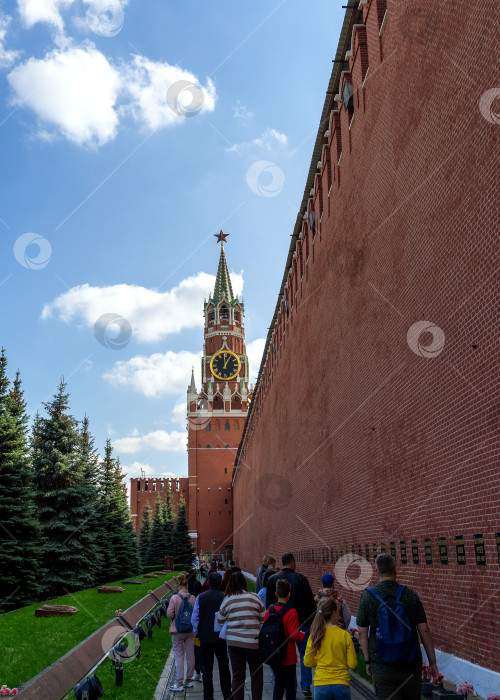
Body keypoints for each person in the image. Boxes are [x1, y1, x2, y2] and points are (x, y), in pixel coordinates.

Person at [356, 553, 439, 700]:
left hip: (381, 665)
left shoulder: (368, 596)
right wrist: (432, 663)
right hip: (410, 665)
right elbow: (424, 630)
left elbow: (362, 632)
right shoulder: (410, 595)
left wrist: (368, 660)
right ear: (395, 570)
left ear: (378, 571)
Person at [266, 553, 316, 698]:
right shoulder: (301, 579)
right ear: (293, 563)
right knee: (304, 654)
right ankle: (306, 686)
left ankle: (291, 685)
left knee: (286, 656)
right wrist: (311, 622)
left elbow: (269, 604)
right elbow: (310, 603)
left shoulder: (271, 579)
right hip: (301, 623)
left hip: (278, 626)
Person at [218, 571, 265, 700]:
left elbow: (220, 621)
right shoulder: (255, 597)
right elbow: (263, 618)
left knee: (238, 675)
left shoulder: (227, 599)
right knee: (256, 673)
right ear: (244, 582)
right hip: (253, 642)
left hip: (234, 643)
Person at [304, 597, 357, 700]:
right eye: (338, 611)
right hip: (341, 683)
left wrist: (321, 662)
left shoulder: (315, 635)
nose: (339, 614)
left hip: (321, 683)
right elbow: (352, 664)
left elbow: (307, 662)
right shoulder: (344, 635)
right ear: (333, 613)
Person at [192, 572, 232, 700]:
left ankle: (208, 697)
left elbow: (195, 618)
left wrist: (198, 630)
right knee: (224, 668)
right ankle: (227, 694)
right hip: (221, 638)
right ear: (220, 583)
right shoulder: (225, 597)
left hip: (205, 638)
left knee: (207, 669)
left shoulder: (200, 597)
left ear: (208, 582)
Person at [263, 578, 305, 700]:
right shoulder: (292, 612)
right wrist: (301, 634)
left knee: (278, 685)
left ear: (276, 594)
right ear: (289, 594)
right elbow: (294, 635)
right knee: (290, 688)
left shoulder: (269, 610)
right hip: (288, 656)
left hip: (274, 655)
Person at [167, 573, 196, 692]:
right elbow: (195, 614)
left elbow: (169, 614)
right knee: (190, 654)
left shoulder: (174, 598)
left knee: (179, 655)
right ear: (187, 585)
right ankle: (188, 680)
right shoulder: (193, 597)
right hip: (190, 630)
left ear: (178, 585)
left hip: (177, 630)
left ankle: (179, 682)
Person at [187, 569, 203, 682]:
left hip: (191, 615)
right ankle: (201, 671)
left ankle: (198, 672)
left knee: (195, 649)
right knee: (198, 648)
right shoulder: (198, 583)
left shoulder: (188, 585)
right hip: (197, 612)